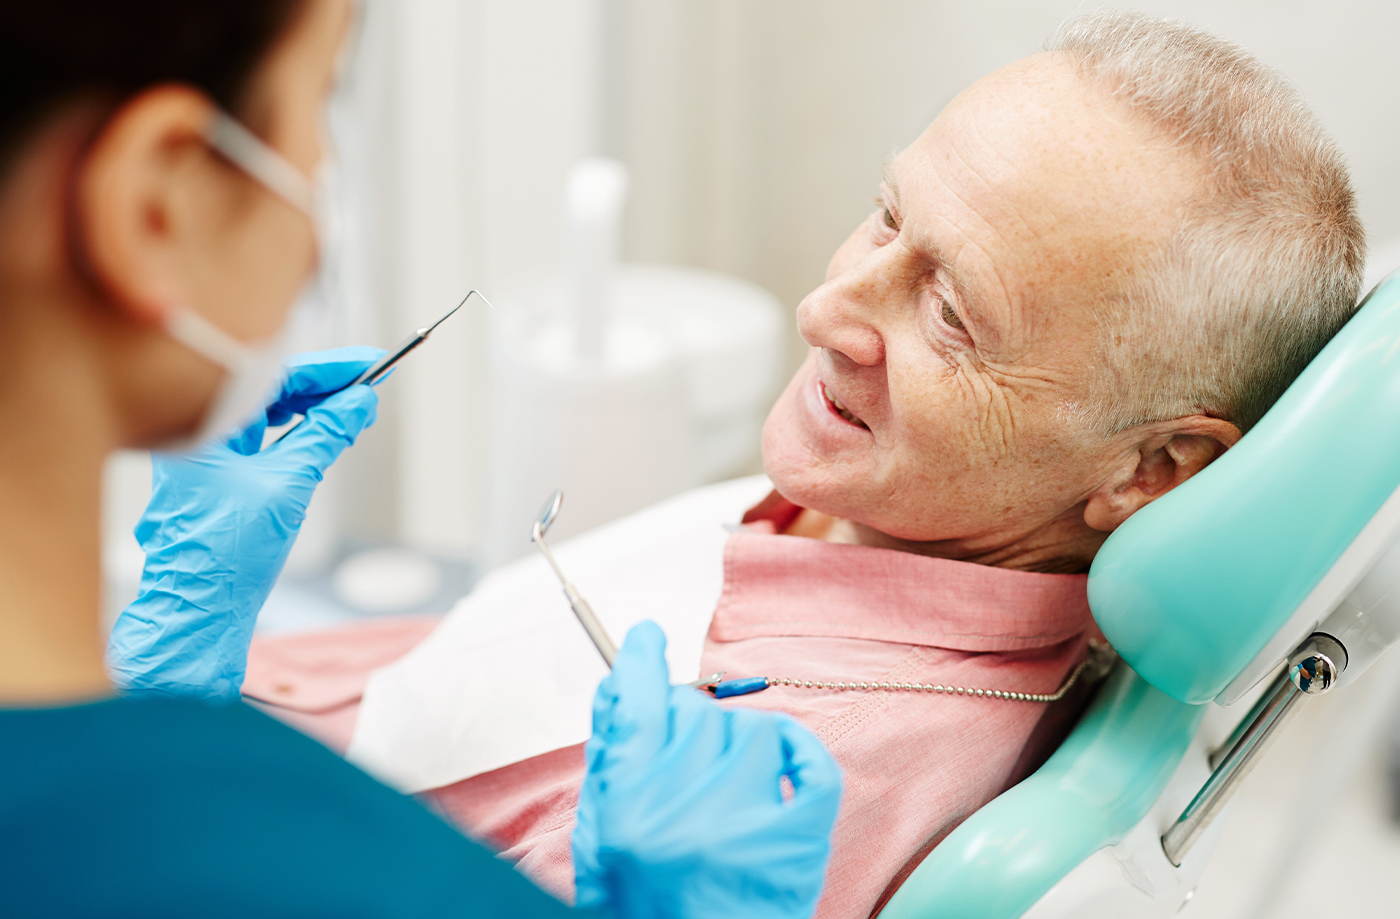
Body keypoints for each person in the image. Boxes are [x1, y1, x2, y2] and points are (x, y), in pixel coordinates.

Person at [106, 8, 1367, 919]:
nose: (829, 307)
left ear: (1148, 470)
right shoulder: (896, 504)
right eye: (887, 213)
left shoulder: (798, 793)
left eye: (952, 314)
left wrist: (161, 716)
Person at [0, 2, 844, 917]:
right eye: (323, 98)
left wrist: (164, 678)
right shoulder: (367, 878)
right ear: (159, 206)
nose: (321, 169)